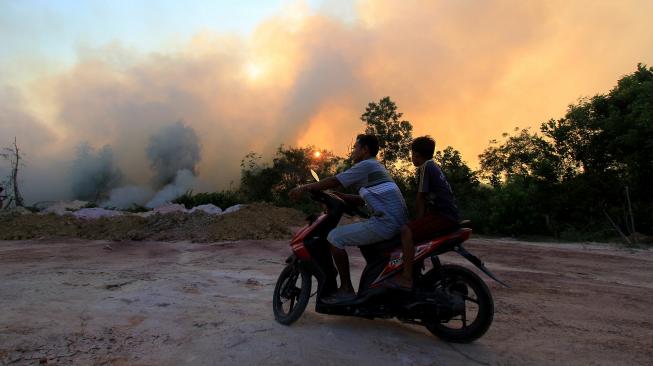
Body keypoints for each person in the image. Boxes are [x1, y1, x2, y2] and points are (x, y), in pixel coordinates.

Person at [289, 134, 408, 303]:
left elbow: (333, 180)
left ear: (365, 150)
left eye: (355, 148)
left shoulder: (366, 165)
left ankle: (345, 289)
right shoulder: (376, 167)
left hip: (385, 223)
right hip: (394, 221)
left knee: (334, 237)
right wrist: (340, 196)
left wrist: (304, 187)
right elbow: (362, 199)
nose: (353, 152)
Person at [383, 136, 460, 290]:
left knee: (406, 231)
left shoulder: (425, 167)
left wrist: (416, 223)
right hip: (447, 214)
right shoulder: (433, 166)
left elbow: (421, 197)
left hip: (442, 216)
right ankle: (414, 270)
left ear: (417, 154)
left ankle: (407, 278)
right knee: (413, 232)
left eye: (412, 154)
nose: (412, 157)